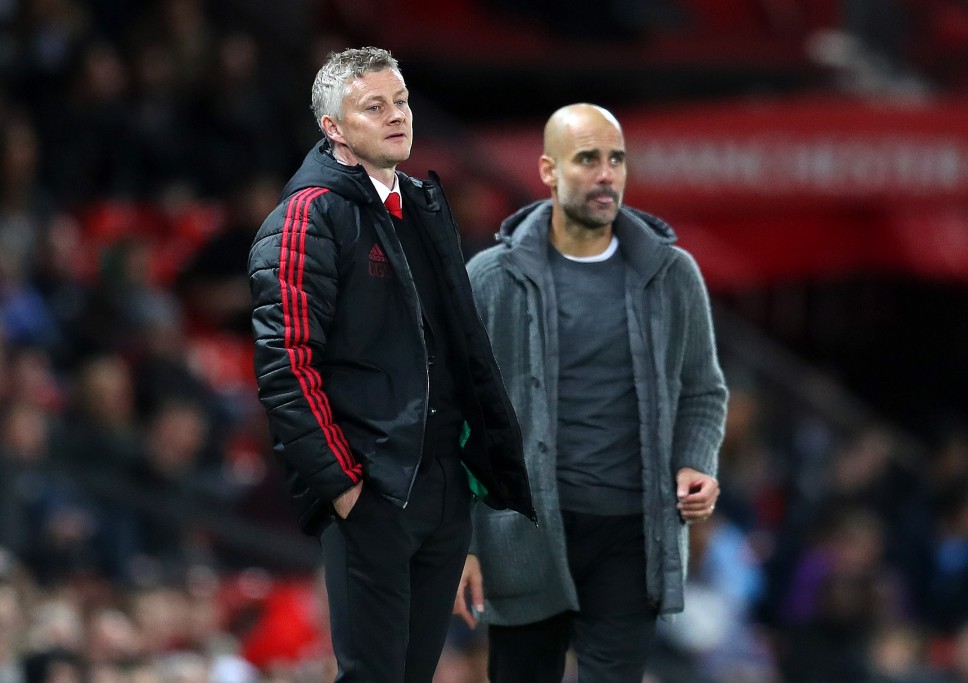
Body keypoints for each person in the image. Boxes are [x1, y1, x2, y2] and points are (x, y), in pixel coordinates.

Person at [247, 46, 535, 683]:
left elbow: (456, 354)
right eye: (374, 106)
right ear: (333, 127)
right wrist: (344, 487)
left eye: (401, 101)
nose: (397, 115)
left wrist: (465, 490)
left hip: (439, 490)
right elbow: (285, 365)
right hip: (372, 489)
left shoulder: (422, 206)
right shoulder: (306, 217)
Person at [454, 103, 728, 682]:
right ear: (549, 171)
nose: (607, 174)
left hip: (632, 534)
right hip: (522, 535)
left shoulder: (672, 275)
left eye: (616, 159)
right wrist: (461, 542)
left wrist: (694, 463)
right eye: (588, 159)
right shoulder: (491, 278)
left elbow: (704, 392)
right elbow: (452, 415)